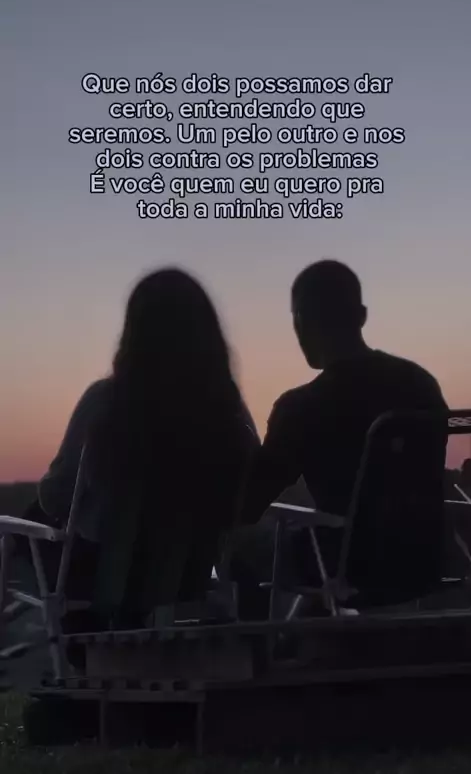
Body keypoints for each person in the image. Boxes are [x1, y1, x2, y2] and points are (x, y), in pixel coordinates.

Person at [28, 268, 259, 614]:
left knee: (34, 517)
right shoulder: (229, 414)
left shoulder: (105, 403)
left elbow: (57, 497)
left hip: (96, 601)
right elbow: (248, 497)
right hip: (189, 595)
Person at [236, 260, 448, 610]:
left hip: (351, 564)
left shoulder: (302, 406)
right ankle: (313, 631)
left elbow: (247, 506)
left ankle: (257, 644)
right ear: (361, 316)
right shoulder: (422, 383)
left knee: (240, 545)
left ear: (300, 322)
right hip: (426, 560)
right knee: (321, 542)